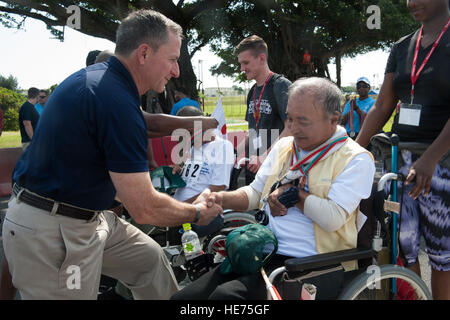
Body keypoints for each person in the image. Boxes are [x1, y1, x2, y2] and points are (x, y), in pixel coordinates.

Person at [2, 9, 222, 300]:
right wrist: (196, 212)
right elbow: (144, 207)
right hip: (54, 231)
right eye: (171, 60)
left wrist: (198, 122)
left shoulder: (106, 82)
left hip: (88, 217)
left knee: (149, 263)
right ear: (143, 53)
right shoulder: (112, 99)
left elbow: (145, 121)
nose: (176, 71)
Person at [171, 77, 375, 300]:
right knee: (184, 299)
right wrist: (218, 197)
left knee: (224, 299)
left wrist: (294, 194)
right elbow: (254, 194)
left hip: (309, 264)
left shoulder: (355, 158)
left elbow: (332, 218)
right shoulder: (284, 147)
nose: (294, 129)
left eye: (303, 121)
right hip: (262, 251)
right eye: (289, 119)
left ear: (333, 118)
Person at [356, 0, 450, 300]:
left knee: (442, 255)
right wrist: (353, 150)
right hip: (400, 160)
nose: (412, 2)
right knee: (405, 249)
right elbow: (383, 104)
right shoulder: (401, 47)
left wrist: (431, 158)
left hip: (442, 162)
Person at [234, 35, 292, 184]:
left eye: (245, 62)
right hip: (254, 166)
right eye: (240, 64)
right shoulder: (252, 91)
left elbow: (291, 128)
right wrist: (235, 152)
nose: (242, 68)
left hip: (275, 168)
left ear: (261, 58)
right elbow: (253, 131)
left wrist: (265, 157)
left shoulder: (281, 86)